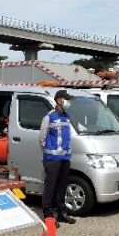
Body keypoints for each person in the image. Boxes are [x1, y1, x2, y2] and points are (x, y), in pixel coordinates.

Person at [39, 90, 77, 226]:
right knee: (50, 188)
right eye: (66, 99)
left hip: (65, 158)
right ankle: (48, 217)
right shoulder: (49, 117)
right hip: (52, 159)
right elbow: (42, 139)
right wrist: (49, 153)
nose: (69, 102)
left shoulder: (67, 116)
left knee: (62, 187)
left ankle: (62, 213)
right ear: (59, 100)